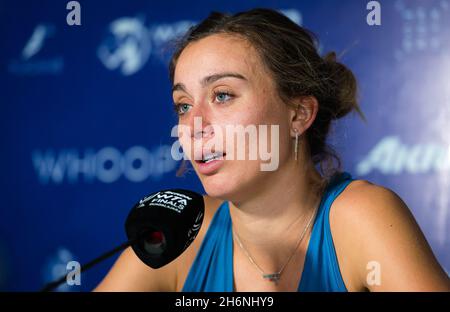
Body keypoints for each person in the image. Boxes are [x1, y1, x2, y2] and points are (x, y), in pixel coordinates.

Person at [95, 8, 450, 292]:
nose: (193, 125)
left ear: (298, 114)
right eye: (183, 105)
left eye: (222, 95)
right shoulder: (181, 233)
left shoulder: (359, 217)